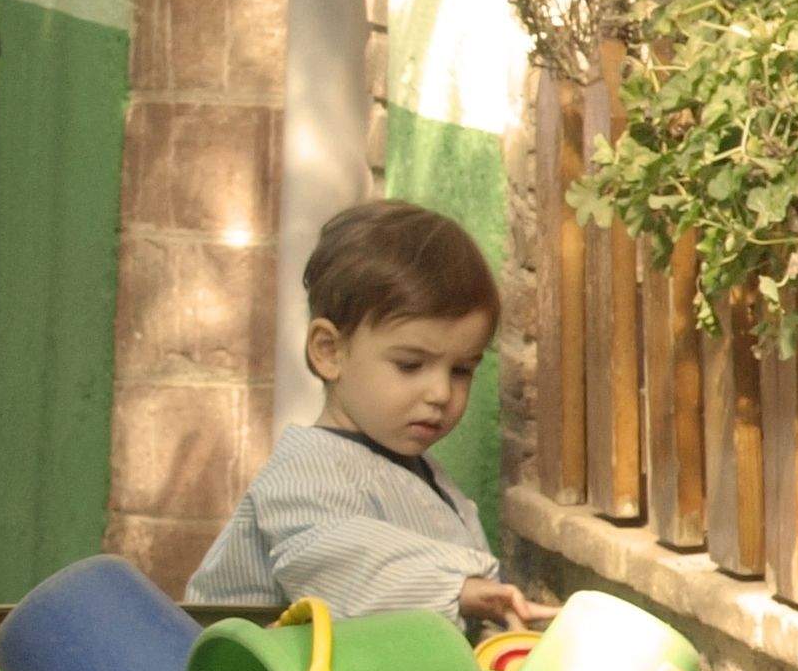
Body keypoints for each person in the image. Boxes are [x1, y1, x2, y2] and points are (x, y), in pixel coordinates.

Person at [186, 200, 548, 630]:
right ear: (329, 351)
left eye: (461, 370)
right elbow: (342, 564)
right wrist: (461, 590)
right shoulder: (306, 472)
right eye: (410, 365)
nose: (440, 393)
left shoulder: (415, 470)